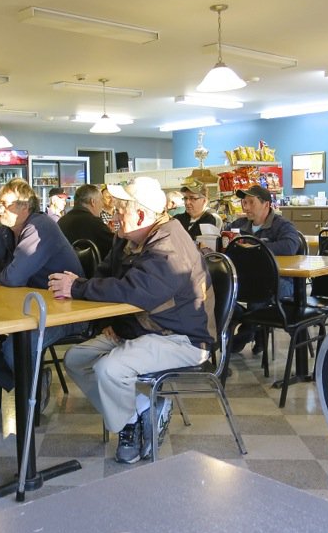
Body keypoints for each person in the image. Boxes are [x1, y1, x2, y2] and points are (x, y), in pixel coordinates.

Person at [49, 176, 216, 464]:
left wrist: (77, 287)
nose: (113, 215)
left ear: (140, 214)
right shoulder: (127, 239)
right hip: (143, 329)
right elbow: (106, 276)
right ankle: (141, 409)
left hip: (180, 338)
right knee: (76, 359)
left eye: (120, 209)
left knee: (109, 369)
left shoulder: (170, 247)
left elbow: (136, 293)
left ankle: (128, 426)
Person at [0, 178, 82, 395]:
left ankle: (28, 388)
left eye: (4, 204)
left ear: (24, 206)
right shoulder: (3, 232)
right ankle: (27, 383)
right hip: (27, 308)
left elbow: (14, 277)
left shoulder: (40, 227)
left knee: (15, 349)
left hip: (69, 312)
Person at [226, 184, 300, 353]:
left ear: (266, 204)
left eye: (251, 202)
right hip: (245, 281)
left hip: (281, 282)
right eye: (244, 203)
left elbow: (290, 246)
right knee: (220, 293)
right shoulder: (239, 225)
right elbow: (225, 242)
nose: (246, 207)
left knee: (258, 295)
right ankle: (253, 327)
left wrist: (255, 247)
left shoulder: (281, 225)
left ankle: (247, 332)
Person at [57, 183, 114, 259]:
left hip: (62, 268)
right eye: (101, 200)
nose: (102, 204)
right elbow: (114, 248)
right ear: (93, 202)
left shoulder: (61, 221)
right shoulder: (95, 223)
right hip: (88, 270)